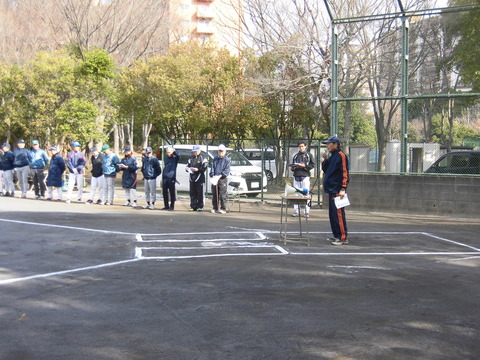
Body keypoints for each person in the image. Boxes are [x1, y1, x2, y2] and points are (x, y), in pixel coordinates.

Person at [321, 136, 350, 245]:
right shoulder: (332, 157)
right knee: (332, 214)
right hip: (331, 188)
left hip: (337, 188)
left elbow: (345, 172)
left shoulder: (341, 156)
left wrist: (343, 188)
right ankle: (336, 234)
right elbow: (326, 170)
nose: (327, 146)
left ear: (335, 144)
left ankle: (342, 236)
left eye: (329, 144)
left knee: (338, 213)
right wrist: (325, 160)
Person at [290, 141, 315, 218]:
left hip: (305, 176)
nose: (301, 148)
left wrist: (305, 166)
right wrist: (293, 168)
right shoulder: (295, 156)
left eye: (302, 146)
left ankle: (306, 211)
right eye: (299, 146)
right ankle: (297, 211)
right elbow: (293, 166)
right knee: (296, 194)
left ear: (305, 146)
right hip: (296, 175)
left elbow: (312, 165)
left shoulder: (308, 155)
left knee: (306, 193)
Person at [209, 144, 230, 214]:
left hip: (222, 179)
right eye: (220, 151)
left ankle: (223, 208)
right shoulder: (215, 158)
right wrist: (212, 175)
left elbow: (227, 170)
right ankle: (215, 208)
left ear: (225, 151)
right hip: (215, 178)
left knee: (222, 194)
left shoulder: (227, 160)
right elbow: (212, 167)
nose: (221, 152)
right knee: (214, 193)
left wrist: (220, 175)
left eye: (222, 151)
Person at [186, 145, 208, 211]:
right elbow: (187, 166)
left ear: (199, 151)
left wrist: (198, 169)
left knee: (200, 193)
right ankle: (193, 206)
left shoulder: (203, 158)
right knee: (192, 193)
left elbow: (204, 167)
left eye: (196, 151)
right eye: (193, 151)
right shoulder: (191, 158)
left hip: (200, 179)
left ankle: (200, 206)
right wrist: (188, 169)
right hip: (192, 178)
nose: (194, 153)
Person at [162, 146, 180, 211]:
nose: (168, 153)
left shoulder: (175, 158)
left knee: (172, 193)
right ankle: (166, 205)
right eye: (167, 152)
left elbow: (178, 154)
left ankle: (172, 206)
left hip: (171, 178)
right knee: (164, 192)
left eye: (169, 152)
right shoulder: (166, 158)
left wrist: (174, 151)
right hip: (165, 177)